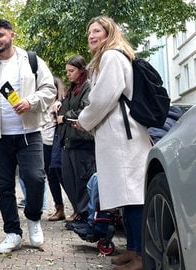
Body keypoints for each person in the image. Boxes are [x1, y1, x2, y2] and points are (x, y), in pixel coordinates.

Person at [0, 19, 56, 253]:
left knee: (36, 178)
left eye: (0, 35)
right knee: (4, 187)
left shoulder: (31, 61)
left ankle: (33, 219)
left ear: (11, 35)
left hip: (29, 133)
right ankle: (12, 233)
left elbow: (49, 90)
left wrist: (30, 101)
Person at [73, 16, 153, 270]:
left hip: (123, 137)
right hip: (117, 135)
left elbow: (102, 98)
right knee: (126, 196)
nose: (91, 35)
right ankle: (132, 250)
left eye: (97, 31)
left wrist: (84, 120)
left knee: (132, 195)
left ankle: (140, 256)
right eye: (89, 32)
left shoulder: (112, 57)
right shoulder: (108, 58)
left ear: (109, 33)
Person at [55, 55, 95, 230]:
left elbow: (85, 109)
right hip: (68, 141)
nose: (68, 74)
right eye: (67, 71)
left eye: (71, 71)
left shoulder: (88, 86)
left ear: (81, 70)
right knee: (68, 178)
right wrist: (59, 105)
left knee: (82, 179)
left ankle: (85, 215)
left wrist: (65, 116)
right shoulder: (73, 89)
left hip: (82, 141)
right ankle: (79, 211)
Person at [44, 76, 67, 221]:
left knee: (63, 176)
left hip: (57, 143)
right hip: (43, 143)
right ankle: (59, 208)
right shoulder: (41, 104)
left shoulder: (61, 104)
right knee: (51, 177)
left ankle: (78, 209)